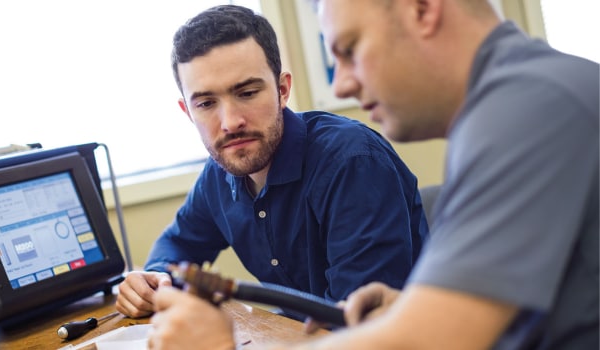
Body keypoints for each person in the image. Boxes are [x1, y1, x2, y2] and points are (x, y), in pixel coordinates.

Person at [147, 0, 599, 349]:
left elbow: (428, 340)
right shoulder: (517, 104)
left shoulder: (531, 112)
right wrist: (410, 309)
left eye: (350, 49)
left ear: (422, 9)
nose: (341, 84)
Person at [115, 4, 428, 321]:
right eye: (207, 103)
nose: (230, 122)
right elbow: (177, 243)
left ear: (282, 90)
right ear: (188, 112)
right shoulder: (219, 173)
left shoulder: (353, 163)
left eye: (247, 93)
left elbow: (360, 327)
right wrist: (154, 280)